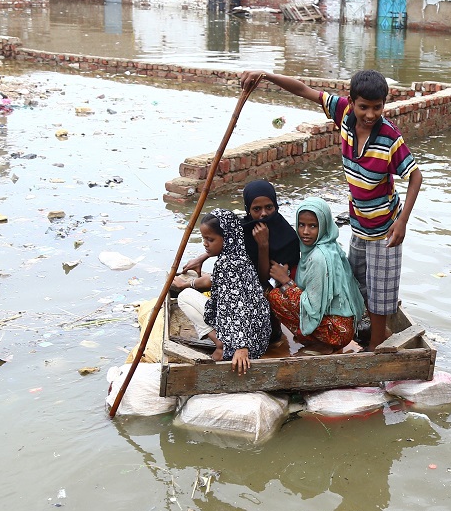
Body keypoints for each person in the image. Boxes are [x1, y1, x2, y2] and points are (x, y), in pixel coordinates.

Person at [240, 68, 422, 349]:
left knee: (381, 293)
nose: (370, 115)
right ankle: (374, 335)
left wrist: (403, 222)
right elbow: (303, 90)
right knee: (359, 283)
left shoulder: (389, 137)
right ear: (352, 101)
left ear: (384, 105)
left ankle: (376, 345)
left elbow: (415, 177)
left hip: (385, 229)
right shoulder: (344, 113)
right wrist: (266, 75)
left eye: (377, 107)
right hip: (359, 224)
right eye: (364, 107)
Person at [174, 210, 271, 375]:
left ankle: (221, 344)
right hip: (260, 339)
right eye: (204, 239)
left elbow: (237, 307)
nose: (205, 244)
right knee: (198, 296)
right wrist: (187, 283)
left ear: (227, 239)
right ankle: (227, 343)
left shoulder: (226, 265)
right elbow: (217, 285)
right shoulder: (241, 256)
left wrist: (241, 347)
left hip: (246, 345)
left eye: (210, 240)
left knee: (184, 298)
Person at [267, 198, 366, 352]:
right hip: (343, 326)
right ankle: (319, 341)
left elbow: (312, 308)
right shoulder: (330, 246)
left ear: (324, 225)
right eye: (301, 225)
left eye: (313, 226)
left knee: (275, 296)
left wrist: (285, 280)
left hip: (336, 332)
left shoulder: (319, 258)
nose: (305, 232)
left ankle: (321, 344)